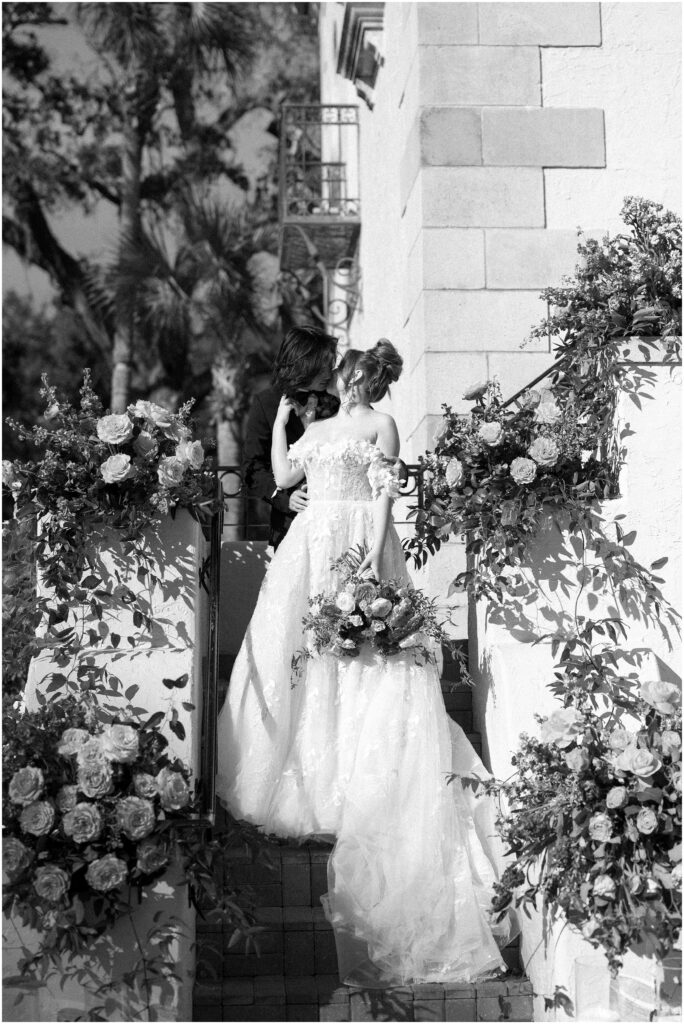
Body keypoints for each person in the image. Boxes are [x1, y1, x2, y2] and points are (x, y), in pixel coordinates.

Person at [216, 340, 515, 987]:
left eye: (360, 376)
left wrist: (377, 562)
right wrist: (277, 427)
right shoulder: (317, 426)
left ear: (370, 381)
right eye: (349, 375)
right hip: (309, 543)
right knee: (306, 658)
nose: (352, 383)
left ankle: (356, 772)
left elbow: (382, 500)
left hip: (356, 543)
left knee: (362, 660)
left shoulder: (382, 424)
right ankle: (306, 774)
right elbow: (286, 476)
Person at [242, 324, 339, 549]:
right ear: (304, 364)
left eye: (330, 365)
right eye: (322, 366)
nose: (328, 372)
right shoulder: (265, 403)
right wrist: (284, 498)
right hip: (289, 526)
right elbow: (252, 467)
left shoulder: (338, 400)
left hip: (337, 520)